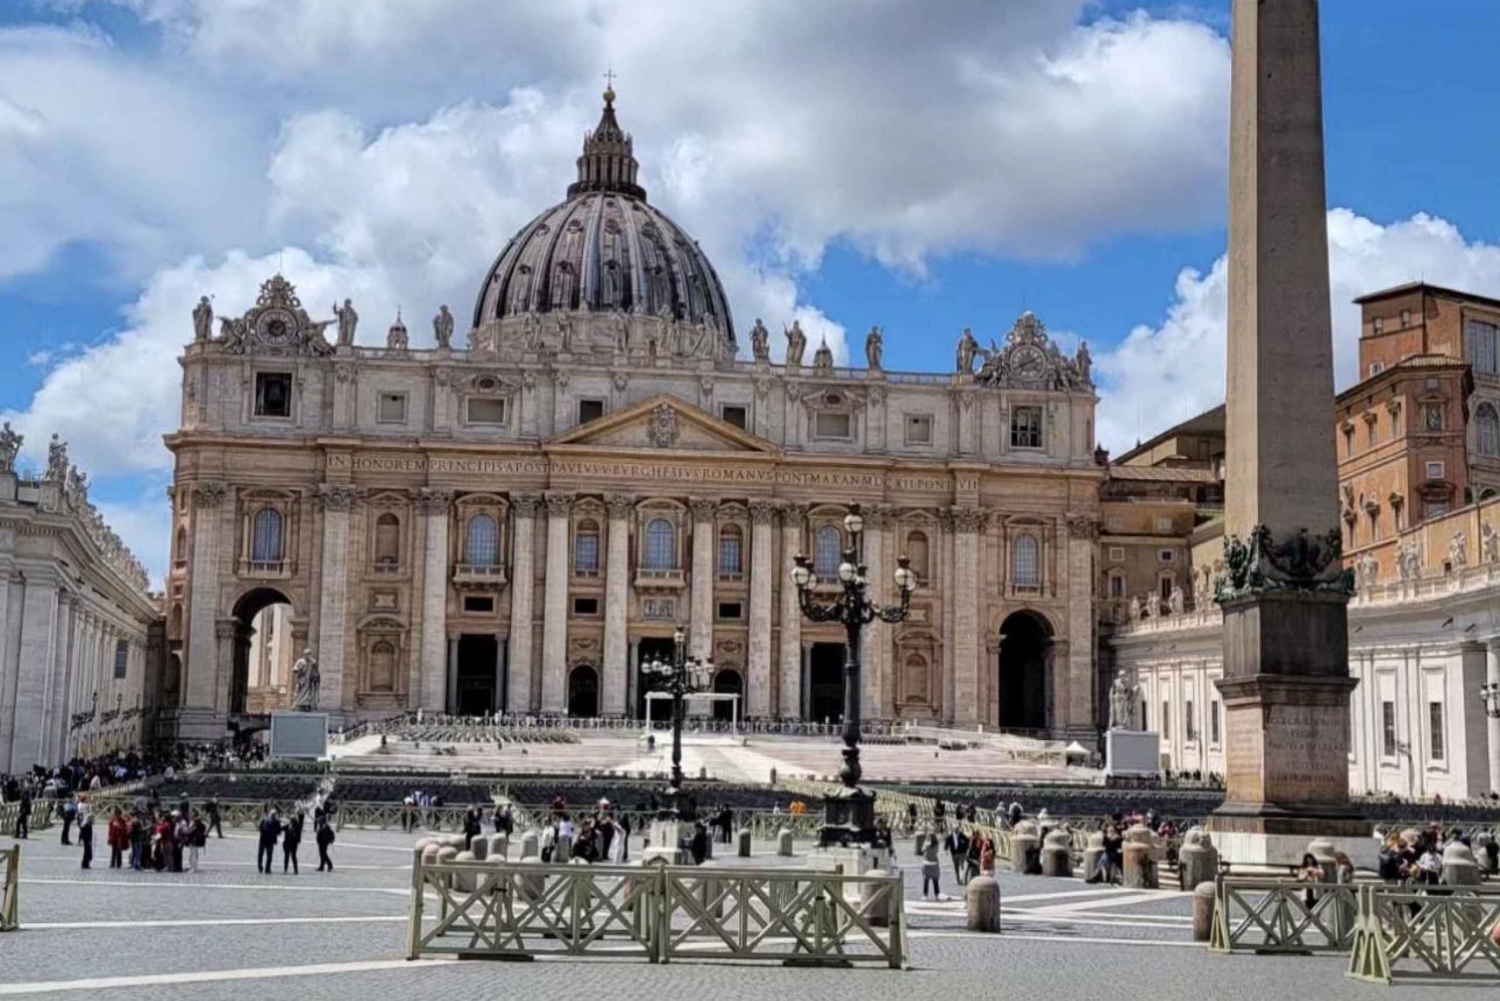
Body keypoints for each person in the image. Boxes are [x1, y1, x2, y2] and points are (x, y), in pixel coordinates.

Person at [918, 829, 942, 901]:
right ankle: (937, 894)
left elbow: (922, 850)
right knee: (935, 881)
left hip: (927, 863)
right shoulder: (937, 844)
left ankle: (925, 895)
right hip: (935, 863)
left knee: (926, 880)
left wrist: (925, 841)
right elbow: (937, 851)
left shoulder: (926, 844)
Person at [258, 809, 282, 874]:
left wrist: (279, 824)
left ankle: (267, 868)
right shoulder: (265, 820)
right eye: (273, 815)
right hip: (263, 840)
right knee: (261, 854)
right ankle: (260, 867)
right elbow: (260, 828)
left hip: (270, 841)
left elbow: (279, 832)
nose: (274, 816)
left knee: (269, 856)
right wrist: (264, 829)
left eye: (275, 815)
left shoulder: (277, 822)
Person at [77, 796, 94, 869]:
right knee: (87, 845)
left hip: (84, 826)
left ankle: (86, 861)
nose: (89, 800)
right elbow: (89, 815)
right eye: (88, 799)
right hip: (86, 826)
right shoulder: (85, 806)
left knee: (87, 846)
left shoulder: (80, 806)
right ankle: (85, 862)